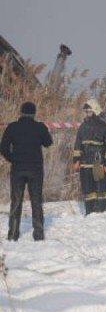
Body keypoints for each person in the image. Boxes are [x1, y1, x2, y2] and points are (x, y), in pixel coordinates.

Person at [1, 102, 53, 241]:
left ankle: (12, 234)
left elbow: (3, 148)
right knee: (36, 201)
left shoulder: (12, 127)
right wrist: (44, 131)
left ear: (21, 112)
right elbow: (48, 143)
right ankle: (38, 234)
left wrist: (12, 159)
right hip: (35, 170)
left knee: (16, 201)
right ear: (34, 113)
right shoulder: (39, 127)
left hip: (17, 169)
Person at [73, 99, 106, 215]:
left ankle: (95, 212)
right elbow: (78, 146)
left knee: (94, 188)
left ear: (95, 111)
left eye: (88, 112)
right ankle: (99, 211)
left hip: (93, 164)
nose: (86, 114)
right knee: (95, 188)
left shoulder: (101, 127)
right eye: (85, 112)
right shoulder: (100, 127)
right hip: (94, 164)